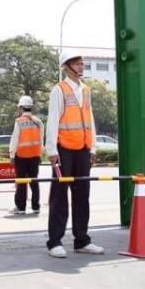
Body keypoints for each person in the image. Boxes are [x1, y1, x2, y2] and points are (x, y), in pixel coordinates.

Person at [45, 50, 104, 258]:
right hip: (63, 151)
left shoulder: (86, 90)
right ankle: (54, 242)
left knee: (82, 196)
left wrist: (93, 147)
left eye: (82, 63)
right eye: (77, 64)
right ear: (66, 67)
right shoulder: (59, 90)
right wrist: (51, 150)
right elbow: (52, 120)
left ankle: (82, 240)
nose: (81, 66)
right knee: (60, 196)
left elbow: (90, 120)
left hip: (83, 150)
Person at [8, 95, 44, 215]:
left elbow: (15, 140)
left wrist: (12, 155)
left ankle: (21, 207)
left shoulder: (19, 122)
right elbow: (41, 140)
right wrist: (39, 154)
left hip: (21, 156)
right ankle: (36, 207)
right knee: (34, 181)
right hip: (34, 156)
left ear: (21, 108)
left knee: (21, 182)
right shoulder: (38, 122)